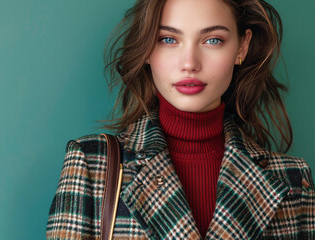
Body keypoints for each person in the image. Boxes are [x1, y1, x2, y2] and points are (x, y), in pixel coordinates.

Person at [46, 0, 315, 239]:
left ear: (241, 46)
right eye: (168, 39)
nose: (189, 63)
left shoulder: (291, 181)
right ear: (147, 48)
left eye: (212, 40)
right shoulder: (93, 165)